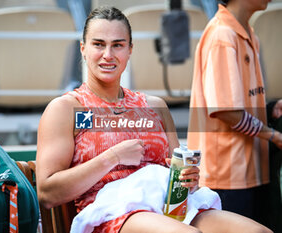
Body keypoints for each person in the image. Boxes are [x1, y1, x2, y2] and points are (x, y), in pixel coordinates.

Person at [36, 6, 272, 233]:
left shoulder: (155, 106)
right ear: (83, 48)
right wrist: (112, 157)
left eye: (117, 45)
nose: (108, 55)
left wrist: (189, 179)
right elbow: (47, 194)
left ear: (130, 50)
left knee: (257, 231)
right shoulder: (67, 108)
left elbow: (179, 172)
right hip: (112, 215)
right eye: (98, 44)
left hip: (169, 209)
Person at [187, 0, 282, 227]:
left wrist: (270, 108)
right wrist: (274, 136)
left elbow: (238, 100)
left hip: (250, 170)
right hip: (227, 175)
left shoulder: (246, 32)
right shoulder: (222, 36)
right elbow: (226, 111)